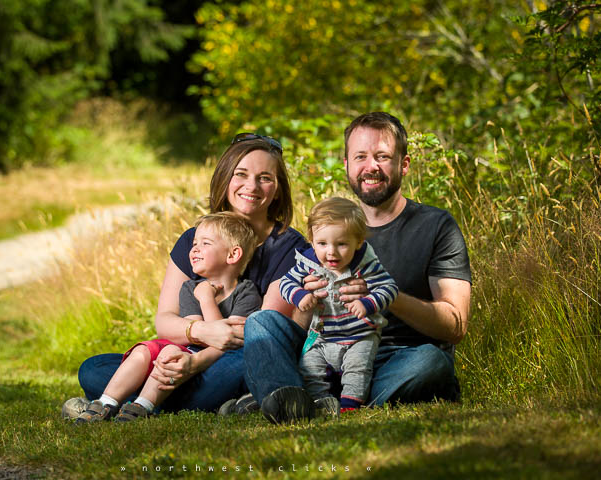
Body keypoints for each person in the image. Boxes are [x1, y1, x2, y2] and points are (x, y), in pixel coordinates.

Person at [244, 112, 472, 424]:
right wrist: (308, 299)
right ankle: (299, 396)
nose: (371, 167)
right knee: (261, 324)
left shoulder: (436, 226)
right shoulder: (328, 229)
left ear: (403, 164)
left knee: (432, 361)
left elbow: (455, 326)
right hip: (327, 352)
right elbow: (303, 323)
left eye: (382, 156)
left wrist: (387, 297)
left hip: (397, 358)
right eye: (360, 156)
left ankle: (304, 398)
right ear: (346, 165)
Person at [62, 133, 307, 419]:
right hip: (186, 351)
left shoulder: (290, 247)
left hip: (234, 358)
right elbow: (165, 320)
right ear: (225, 178)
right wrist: (198, 334)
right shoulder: (194, 240)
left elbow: (259, 334)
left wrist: (194, 364)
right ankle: (215, 402)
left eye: (265, 178)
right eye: (241, 174)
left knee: (238, 367)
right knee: (93, 369)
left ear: (277, 190)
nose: (251, 186)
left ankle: (141, 400)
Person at [73, 212, 262, 423]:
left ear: (233, 254)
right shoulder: (190, 288)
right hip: (182, 358)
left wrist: (207, 298)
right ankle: (107, 403)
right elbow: (200, 335)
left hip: (215, 364)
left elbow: (226, 341)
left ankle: (143, 404)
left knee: (240, 364)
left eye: (205, 243)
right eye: (195, 243)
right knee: (131, 357)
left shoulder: (247, 293)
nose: (194, 249)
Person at [279, 197, 398, 418]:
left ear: (358, 242)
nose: (331, 252)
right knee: (309, 367)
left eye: (341, 244)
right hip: (322, 336)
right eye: (322, 244)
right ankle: (320, 402)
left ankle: (349, 404)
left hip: (359, 335)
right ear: (312, 241)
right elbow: (285, 283)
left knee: (357, 368)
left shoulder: (366, 265)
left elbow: (389, 288)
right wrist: (299, 296)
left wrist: (367, 303)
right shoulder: (308, 264)